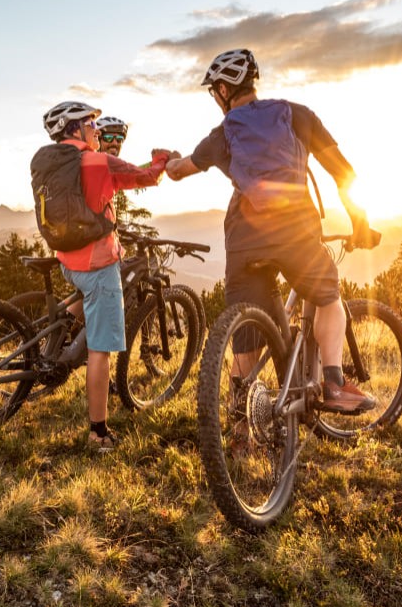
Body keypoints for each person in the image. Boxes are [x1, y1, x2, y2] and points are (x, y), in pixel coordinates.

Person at [164, 49, 380, 414]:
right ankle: (333, 383)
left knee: (246, 340)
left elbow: (180, 169)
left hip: (244, 240)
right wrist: (359, 221)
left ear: (222, 89)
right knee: (328, 297)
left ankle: (238, 426)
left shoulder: (222, 134)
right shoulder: (298, 115)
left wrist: (168, 160)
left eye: (214, 92)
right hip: (295, 232)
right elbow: (343, 172)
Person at [38, 101, 172, 451]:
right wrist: (161, 158)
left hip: (67, 259)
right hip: (97, 265)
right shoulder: (99, 161)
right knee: (100, 351)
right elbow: (143, 176)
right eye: (90, 124)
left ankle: (56, 336)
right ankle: (99, 433)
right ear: (74, 129)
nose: (95, 130)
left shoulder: (53, 163)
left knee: (86, 296)